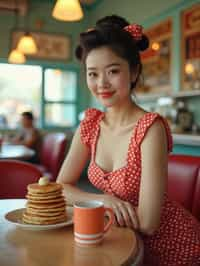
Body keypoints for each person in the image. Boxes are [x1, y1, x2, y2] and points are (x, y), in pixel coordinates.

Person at [57, 15, 200, 265]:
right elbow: (60, 187)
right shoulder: (90, 123)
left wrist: (96, 204)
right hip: (118, 240)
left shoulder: (150, 128)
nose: (102, 83)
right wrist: (104, 200)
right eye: (93, 74)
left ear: (133, 71)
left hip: (174, 250)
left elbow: (147, 223)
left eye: (113, 71)